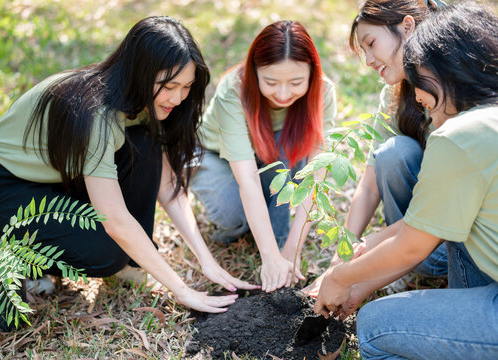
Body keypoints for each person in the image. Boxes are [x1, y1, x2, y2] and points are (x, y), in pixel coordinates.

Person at [0, 16, 259, 327]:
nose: (177, 98)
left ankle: (131, 262)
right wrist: (182, 290)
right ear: (140, 73)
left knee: (145, 145)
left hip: (59, 178)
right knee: (107, 251)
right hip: (4, 185)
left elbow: (166, 184)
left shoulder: (141, 103)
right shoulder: (97, 114)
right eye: (169, 86)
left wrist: (206, 259)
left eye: (186, 87)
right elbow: (116, 223)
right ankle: (11, 262)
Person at [314, 2, 498, 358]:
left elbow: (413, 244)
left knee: (375, 326)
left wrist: (341, 278)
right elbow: (430, 224)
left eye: (420, 79)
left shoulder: (459, 137)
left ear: (444, 68)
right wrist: (353, 268)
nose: (416, 98)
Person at [305, 0, 448, 297]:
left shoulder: (456, 89)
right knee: (393, 152)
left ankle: (402, 258)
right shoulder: (394, 97)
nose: (368, 59)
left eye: (371, 43)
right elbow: (368, 188)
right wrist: (337, 263)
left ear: (407, 27)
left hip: (461, 234)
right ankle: (406, 257)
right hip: (420, 241)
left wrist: (352, 276)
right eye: (363, 51)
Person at [190, 21, 337, 292]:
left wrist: (291, 250)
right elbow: (247, 179)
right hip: (217, 155)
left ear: (312, 75)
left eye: (295, 82)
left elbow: (315, 176)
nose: (283, 94)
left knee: (283, 154)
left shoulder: (323, 93)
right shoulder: (233, 90)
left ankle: (276, 230)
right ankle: (262, 228)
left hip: (277, 154)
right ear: (254, 72)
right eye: (270, 82)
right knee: (234, 218)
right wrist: (269, 257)